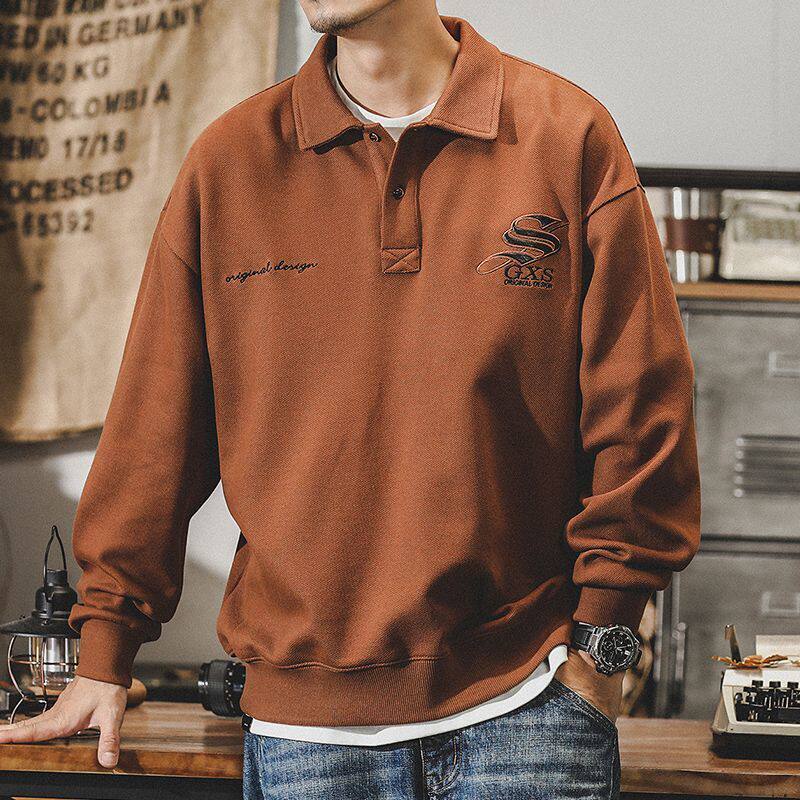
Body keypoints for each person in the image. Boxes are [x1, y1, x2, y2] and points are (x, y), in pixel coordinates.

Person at [0, 1, 701, 797]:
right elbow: (154, 431)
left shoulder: (565, 135)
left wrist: (603, 641)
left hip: (527, 710)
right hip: (306, 736)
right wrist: (105, 651)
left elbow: (642, 411)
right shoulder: (231, 162)